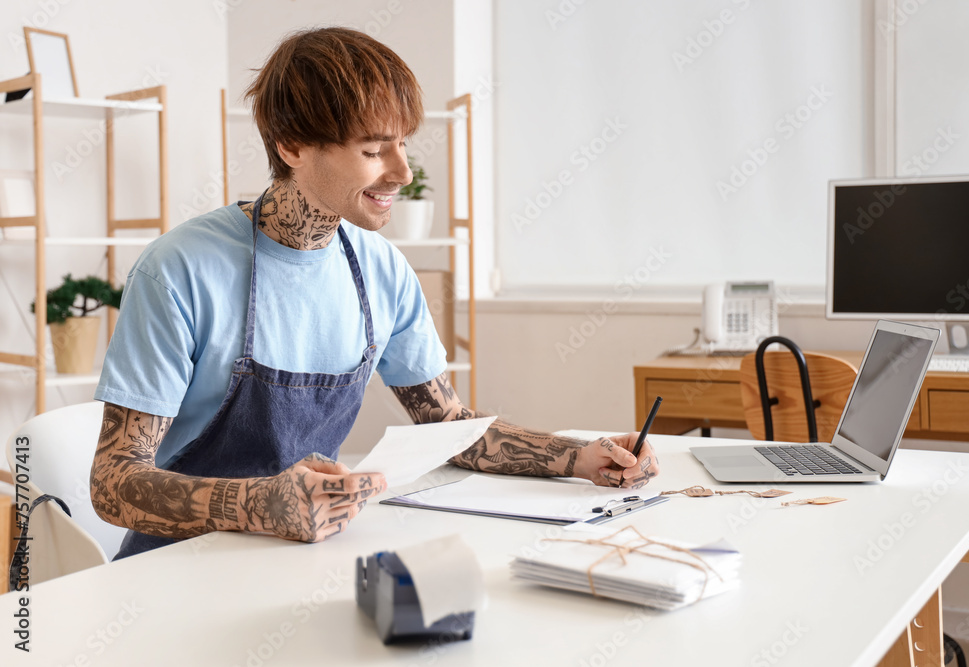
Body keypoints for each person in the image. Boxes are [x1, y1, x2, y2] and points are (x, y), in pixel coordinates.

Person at [90, 27, 660, 560]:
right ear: (292, 146)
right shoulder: (180, 271)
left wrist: (581, 456)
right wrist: (259, 504)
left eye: (403, 145)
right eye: (374, 150)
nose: (403, 172)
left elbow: (447, 425)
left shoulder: (381, 270)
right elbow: (114, 484)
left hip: (304, 556)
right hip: (175, 568)